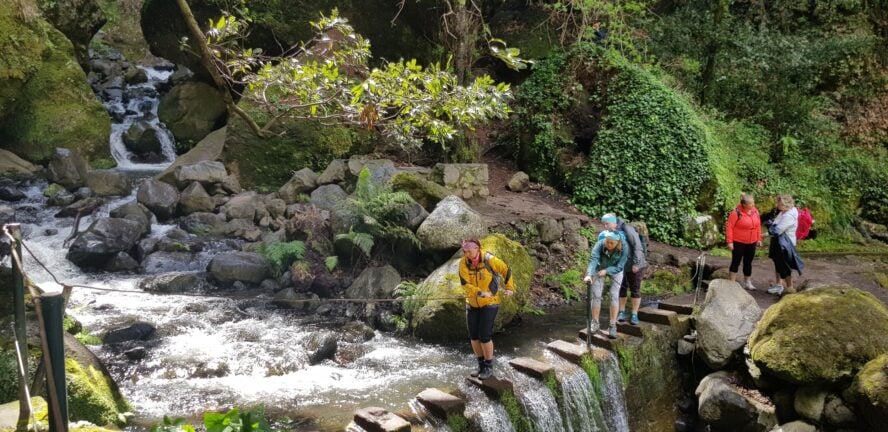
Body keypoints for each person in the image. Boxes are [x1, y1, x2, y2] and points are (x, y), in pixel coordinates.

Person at [459, 239, 514, 380]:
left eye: (469, 251)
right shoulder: (463, 263)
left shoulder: (490, 260)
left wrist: (509, 288)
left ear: (477, 249)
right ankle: (481, 365)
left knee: (484, 336)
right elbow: (465, 284)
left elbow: (506, 270)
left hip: (490, 302)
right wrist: (479, 292)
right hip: (472, 303)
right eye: (464, 251)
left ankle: (489, 367)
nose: (466, 254)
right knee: (474, 337)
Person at [600, 213, 647, 325]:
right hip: (621, 266)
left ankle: (634, 314)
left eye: (607, 223)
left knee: (635, 289)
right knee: (622, 288)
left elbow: (637, 246)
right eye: (604, 224)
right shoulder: (610, 232)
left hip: (635, 264)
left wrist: (636, 263)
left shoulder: (627, 229)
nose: (605, 226)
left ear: (614, 222)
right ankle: (621, 312)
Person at [583, 230, 628, 339]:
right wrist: (589, 274)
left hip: (616, 270)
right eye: (607, 242)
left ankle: (612, 325)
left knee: (614, 295)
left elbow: (620, 266)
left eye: (611, 243)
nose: (608, 244)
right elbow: (593, 259)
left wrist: (607, 271)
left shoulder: (624, 247)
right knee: (596, 295)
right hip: (599, 268)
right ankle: (595, 322)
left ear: (618, 242)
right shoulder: (600, 244)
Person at [766, 195, 804, 295]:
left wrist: (761, 235)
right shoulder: (784, 211)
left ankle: (789, 288)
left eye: (779, 203)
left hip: (785, 244)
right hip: (778, 242)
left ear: (784, 204)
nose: (777, 205)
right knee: (777, 263)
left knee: (785, 266)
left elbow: (777, 230)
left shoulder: (789, 215)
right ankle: (779, 285)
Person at [725, 194, 763, 290]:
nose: (753, 205)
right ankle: (732, 283)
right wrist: (729, 242)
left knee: (748, 262)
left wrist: (759, 239)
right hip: (738, 241)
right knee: (736, 261)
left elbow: (758, 226)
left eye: (753, 202)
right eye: (750, 203)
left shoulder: (755, 211)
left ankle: (747, 282)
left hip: (752, 241)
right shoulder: (735, 213)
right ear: (744, 205)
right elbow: (729, 227)